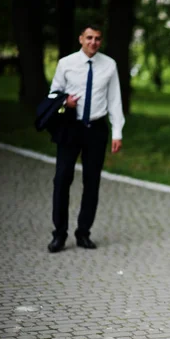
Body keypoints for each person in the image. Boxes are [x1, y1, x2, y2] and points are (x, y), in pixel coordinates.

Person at [47, 24, 124, 253]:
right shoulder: (66, 64)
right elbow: (53, 93)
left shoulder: (109, 65)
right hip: (71, 127)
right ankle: (59, 234)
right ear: (81, 38)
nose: (93, 42)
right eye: (89, 37)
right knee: (62, 179)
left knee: (92, 183)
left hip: (96, 129)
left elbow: (115, 99)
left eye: (98, 38)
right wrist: (64, 102)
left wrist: (117, 131)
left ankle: (84, 233)